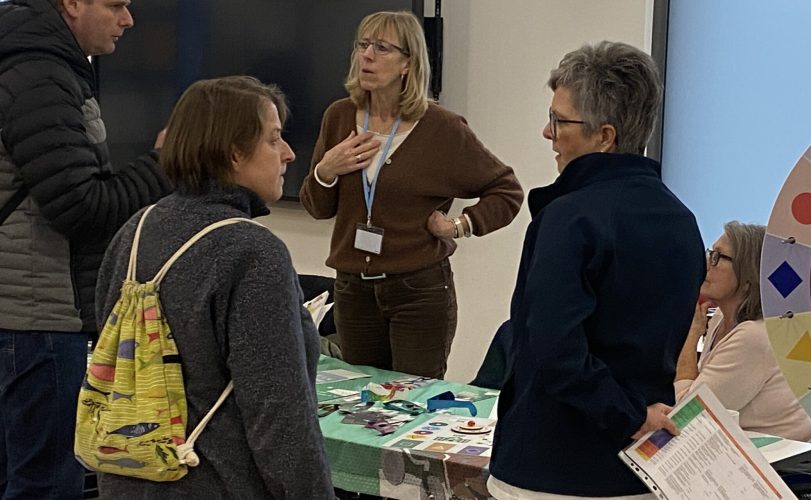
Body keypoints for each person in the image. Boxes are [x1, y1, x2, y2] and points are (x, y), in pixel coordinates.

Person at [93, 76, 335, 499]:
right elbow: (279, 414)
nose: (289, 154)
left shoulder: (136, 228)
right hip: (217, 482)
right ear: (234, 152)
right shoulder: (253, 252)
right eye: (274, 139)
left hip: (127, 478)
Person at [488, 41, 706, 499]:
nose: (547, 134)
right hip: (640, 471)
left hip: (553, 469)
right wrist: (634, 416)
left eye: (558, 121)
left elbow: (555, 351)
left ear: (604, 136)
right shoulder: (682, 220)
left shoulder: (571, 217)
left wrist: (625, 414)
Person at [0, 0, 172, 497]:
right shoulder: (41, 76)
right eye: (116, 4)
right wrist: (163, 163)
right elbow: (82, 206)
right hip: (37, 322)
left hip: (23, 316)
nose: (129, 19)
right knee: (46, 485)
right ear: (72, 4)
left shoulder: (29, 62)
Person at [300, 10, 523, 379]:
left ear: (408, 64)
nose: (367, 56)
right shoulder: (339, 117)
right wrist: (326, 170)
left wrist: (460, 225)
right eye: (363, 45)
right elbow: (318, 208)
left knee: (413, 402)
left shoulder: (442, 129)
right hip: (353, 290)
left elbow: (507, 190)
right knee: (362, 404)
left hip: (417, 291)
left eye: (382, 48)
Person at [674, 222, 811, 445]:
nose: (705, 264)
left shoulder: (753, 336)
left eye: (717, 257)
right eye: (710, 253)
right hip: (746, 451)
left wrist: (691, 334)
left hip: (784, 468)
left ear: (748, 275)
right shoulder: (722, 318)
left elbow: (687, 416)